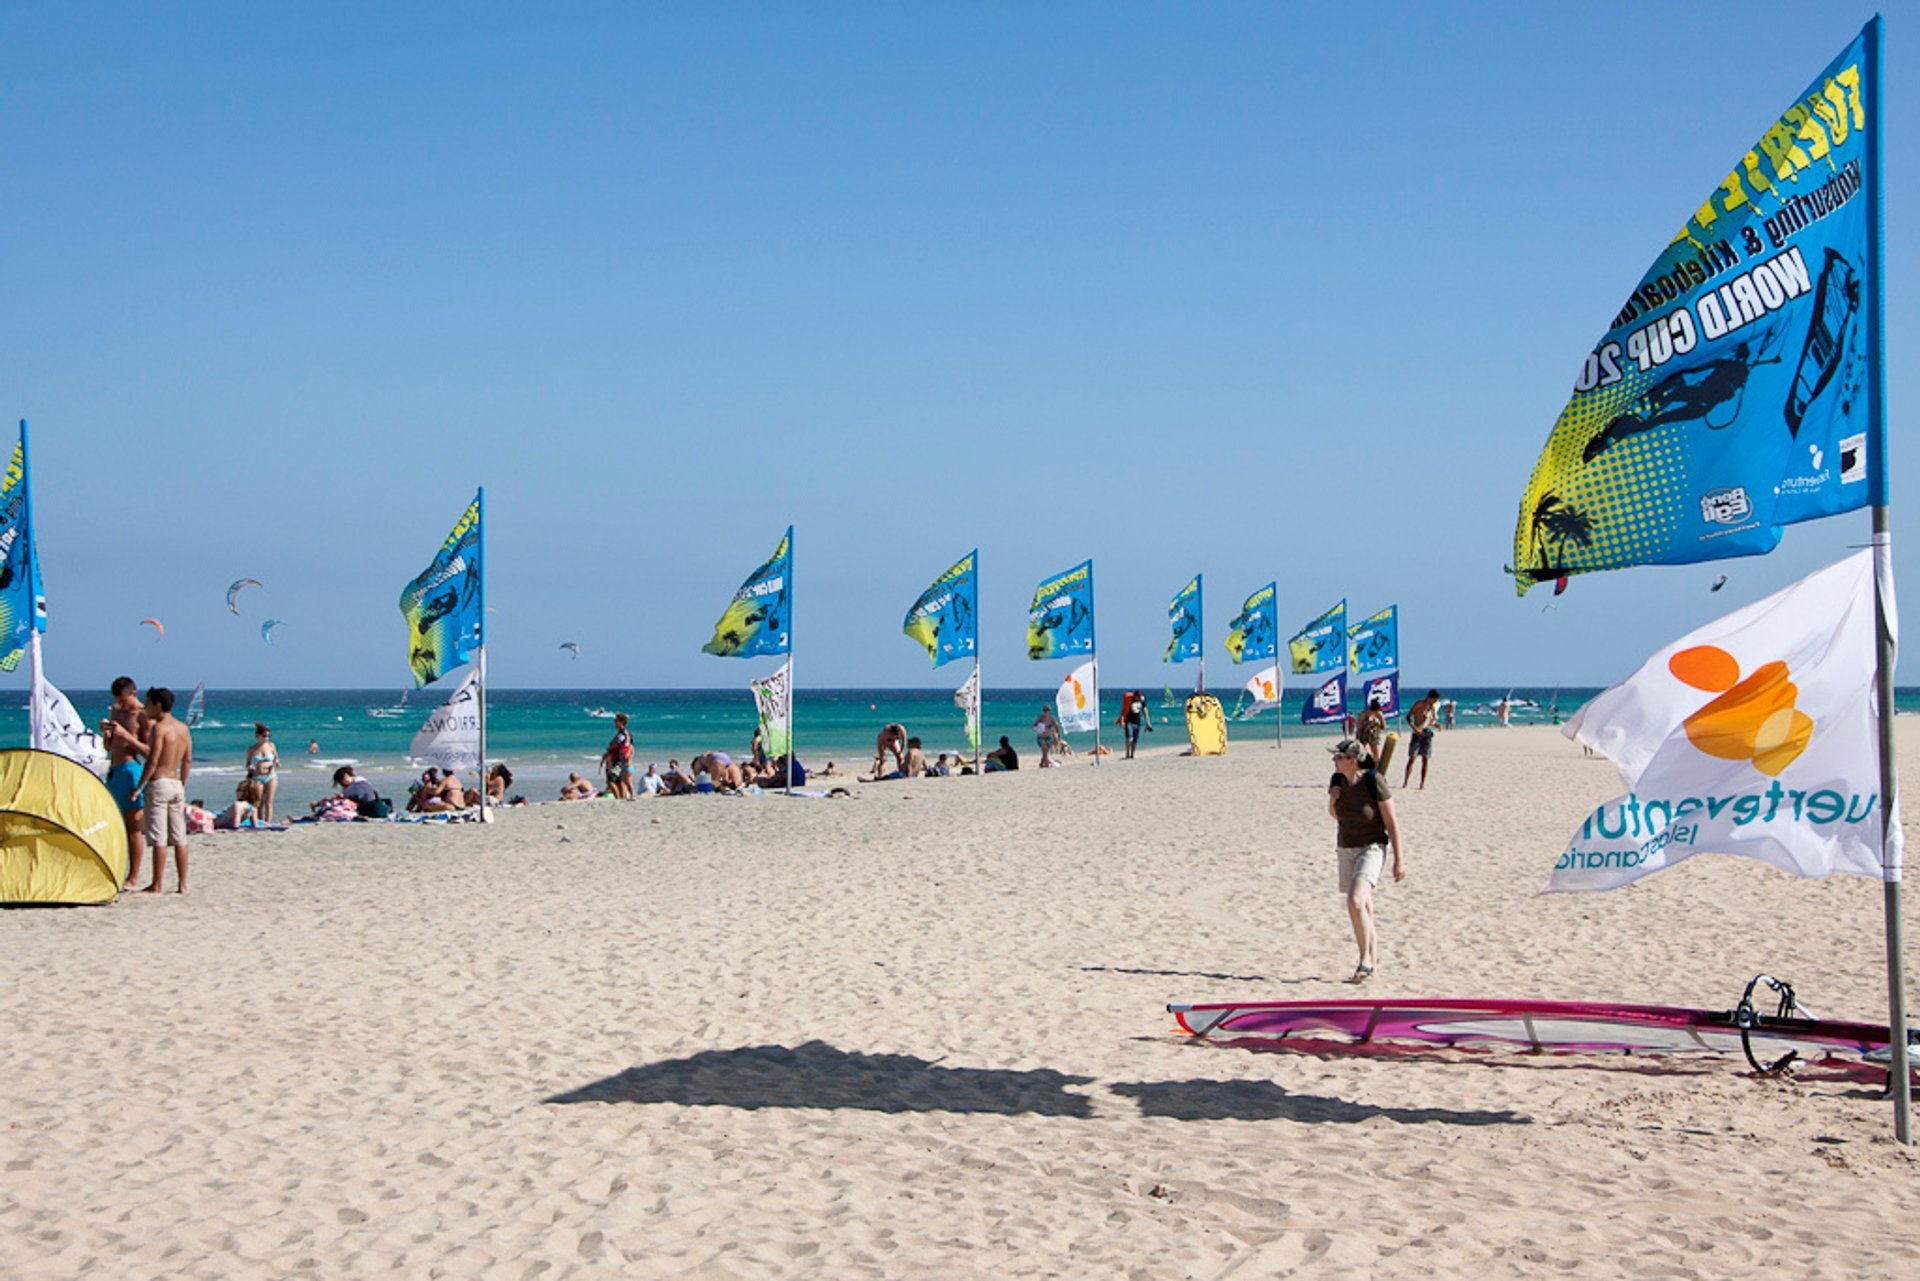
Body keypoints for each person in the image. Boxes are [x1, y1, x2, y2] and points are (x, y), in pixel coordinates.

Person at [1327, 737, 1404, 983]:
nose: (1334, 760)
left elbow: (1392, 823)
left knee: (1355, 901)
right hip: (1346, 847)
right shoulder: (1337, 780)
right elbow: (1334, 815)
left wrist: (1398, 859)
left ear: (1352, 760)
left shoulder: (1374, 781)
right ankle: (1371, 961)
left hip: (1372, 847)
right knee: (1364, 908)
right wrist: (1333, 799)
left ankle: (1365, 960)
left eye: (1338, 757)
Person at [134, 687, 192, 893]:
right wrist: (182, 783)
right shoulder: (182, 728)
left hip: (159, 783)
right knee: (179, 837)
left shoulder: (160, 728)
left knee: (158, 837)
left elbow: (152, 761)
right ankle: (182, 884)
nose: (145, 707)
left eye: (148, 703)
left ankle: (157, 883)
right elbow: (187, 760)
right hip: (176, 783)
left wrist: (139, 787)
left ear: (158, 705)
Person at [101, 676, 148, 890]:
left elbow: (149, 752)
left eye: (124, 701)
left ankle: (134, 876)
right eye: (118, 701)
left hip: (131, 770)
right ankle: (118, 869)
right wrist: (107, 734)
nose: (121, 705)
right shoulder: (116, 711)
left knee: (133, 827)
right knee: (114, 823)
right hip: (114, 769)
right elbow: (109, 747)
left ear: (134, 694)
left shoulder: (142, 714)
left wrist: (126, 736)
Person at [1402, 690, 1441, 790]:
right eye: (1434, 700)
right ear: (1430, 697)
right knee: (1412, 758)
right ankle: (1405, 782)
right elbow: (1408, 717)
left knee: (1425, 759)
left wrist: (1437, 724)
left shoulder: (1432, 708)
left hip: (1427, 733)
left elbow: (1430, 721)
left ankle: (1422, 784)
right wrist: (1415, 728)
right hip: (1417, 733)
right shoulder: (1419, 704)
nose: (1435, 702)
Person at [246, 723, 281, 823]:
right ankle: (260, 821)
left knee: (268, 802)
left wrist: (277, 763)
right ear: (258, 736)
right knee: (258, 802)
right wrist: (250, 768)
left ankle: (268, 822)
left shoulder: (271, 746)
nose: (267, 738)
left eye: (268, 736)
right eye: (264, 736)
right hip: (257, 777)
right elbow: (248, 763)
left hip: (270, 775)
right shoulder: (252, 749)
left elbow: (276, 758)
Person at [601, 712, 635, 800]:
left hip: (618, 760)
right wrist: (630, 758)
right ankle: (623, 797)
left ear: (621, 722)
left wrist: (608, 752)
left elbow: (614, 745)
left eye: (616, 721)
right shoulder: (628, 734)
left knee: (611, 781)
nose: (614, 723)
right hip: (624, 760)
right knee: (621, 781)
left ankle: (619, 798)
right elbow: (631, 747)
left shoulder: (621, 735)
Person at [1118, 690, 1152, 760]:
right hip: (1129, 722)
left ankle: (1132, 754)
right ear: (1135, 696)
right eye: (1137, 697)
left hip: (1137, 722)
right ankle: (1127, 754)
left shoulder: (1142, 700)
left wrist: (1148, 723)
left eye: (1139, 697)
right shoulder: (1129, 700)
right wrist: (1122, 721)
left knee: (1135, 740)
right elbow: (1123, 710)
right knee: (1129, 738)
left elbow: (1145, 711)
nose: (1138, 699)